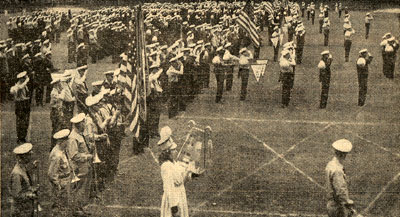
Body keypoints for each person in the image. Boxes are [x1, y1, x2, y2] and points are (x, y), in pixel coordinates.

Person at [158, 126, 192, 217]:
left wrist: (191, 173)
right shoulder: (166, 166)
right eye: (173, 150)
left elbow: (181, 179)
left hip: (180, 197)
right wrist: (174, 208)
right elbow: (169, 188)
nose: (176, 151)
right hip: (174, 201)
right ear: (168, 152)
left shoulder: (174, 163)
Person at [68, 113, 93, 216]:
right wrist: (87, 156)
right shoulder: (73, 137)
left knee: (84, 188)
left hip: (85, 166)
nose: (84, 125)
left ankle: (81, 207)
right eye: (83, 123)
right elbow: (74, 155)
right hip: (79, 167)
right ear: (79, 124)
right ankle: (77, 209)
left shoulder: (80, 134)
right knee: (79, 189)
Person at [325, 139, 355, 217]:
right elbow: (340, 191)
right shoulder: (337, 170)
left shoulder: (330, 164)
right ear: (343, 154)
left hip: (331, 205)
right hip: (338, 208)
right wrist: (348, 204)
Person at [48, 129, 73, 217]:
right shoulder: (57, 155)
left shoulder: (62, 150)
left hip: (65, 181)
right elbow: (51, 174)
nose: (68, 142)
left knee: (64, 205)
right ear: (62, 141)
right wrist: (58, 185)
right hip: (61, 183)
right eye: (67, 140)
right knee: (60, 207)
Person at [9, 143, 39, 217]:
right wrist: (31, 195)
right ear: (24, 157)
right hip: (20, 211)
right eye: (29, 155)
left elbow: (25, 181)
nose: (30, 156)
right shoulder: (17, 174)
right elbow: (17, 195)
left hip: (26, 208)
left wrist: (33, 167)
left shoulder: (22, 167)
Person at [10, 72, 31, 144]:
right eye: (24, 78)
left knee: (26, 121)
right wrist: (26, 81)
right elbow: (19, 87)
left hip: (25, 103)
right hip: (20, 104)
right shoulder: (17, 86)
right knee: (20, 121)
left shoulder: (24, 85)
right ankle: (20, 137)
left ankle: (23, 136)